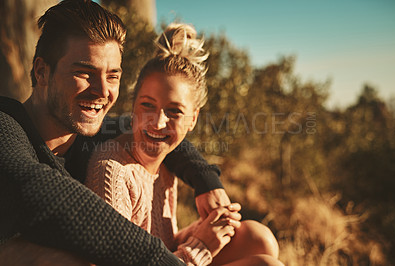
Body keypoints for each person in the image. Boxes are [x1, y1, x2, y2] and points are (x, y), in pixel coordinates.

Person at [0, 0, 232, 265]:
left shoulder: (89, 134)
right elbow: (35, 190)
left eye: (112, 76)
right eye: (84, 73)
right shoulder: (6, 126)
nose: (102, 91)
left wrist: (205, 180)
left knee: (253, 238)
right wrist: (165, 261)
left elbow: (158, 131)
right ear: (42, 71)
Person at [85, 23, 284, 266]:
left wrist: (205, 230)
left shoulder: (166, 158)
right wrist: (200, 246)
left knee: (259, 238)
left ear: (193, 119)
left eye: (174, 111)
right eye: (147, 105)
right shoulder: (113, 173)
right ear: (133, 105)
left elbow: (162, 243)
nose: (158, 123)